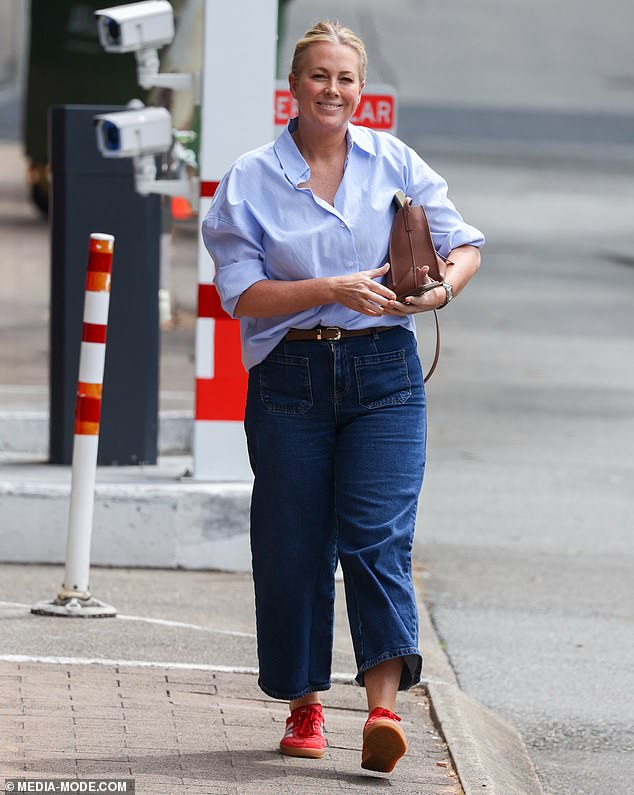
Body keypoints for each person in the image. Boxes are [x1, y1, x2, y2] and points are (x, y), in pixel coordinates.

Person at [202, 20, 484, 774]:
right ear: (293, 87)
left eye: (346, 79)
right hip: (290, 380)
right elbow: (242, 296)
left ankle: (384, 710)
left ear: (362, 90)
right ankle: (304, 702)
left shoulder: (393, 162)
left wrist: (434, 296)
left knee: (378, 539)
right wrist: (331, 288)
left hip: (385, 376)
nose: (333, 90)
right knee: (294, 547)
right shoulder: (251, 180)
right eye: (319, 76)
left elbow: (464, 245)